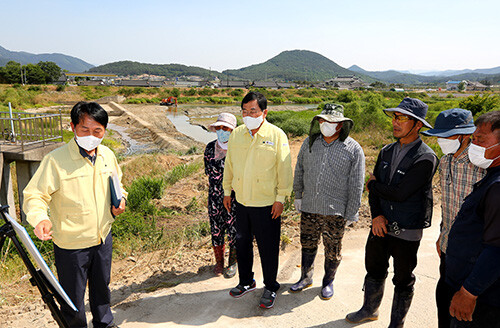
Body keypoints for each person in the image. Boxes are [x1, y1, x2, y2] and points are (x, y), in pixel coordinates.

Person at [23, 101, 126, 328]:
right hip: (71, 245)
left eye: (97, 131)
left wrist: (122, 201)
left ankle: (105, 324)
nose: (91, 136)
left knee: (102, 289)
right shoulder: (56, 160)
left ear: (104, 131)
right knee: (72, 300)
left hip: (102, 237)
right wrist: (40, 218)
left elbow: (118, 185)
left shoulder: (107, 155)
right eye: (85, 130)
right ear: (72, 127)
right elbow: (34, 196)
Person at [346, 98, 438, 327]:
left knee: (403, 279)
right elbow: (378, 193)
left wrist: (372, 185)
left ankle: (396, 323)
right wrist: (376, 215)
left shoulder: (426, 157)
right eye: (395, 117)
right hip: (380, 224)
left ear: (417, 124)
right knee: (375, 269)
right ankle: (369, 309)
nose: (396, 122)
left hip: (407, 229)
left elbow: (400, 193)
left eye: (403, 118)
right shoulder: (386, 151)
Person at [222, 91, 293, 309]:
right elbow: (230, 165)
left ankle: (270, 286)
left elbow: (284, 169)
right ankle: (246, 281)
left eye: (253, 111)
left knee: (268, 247)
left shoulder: (277, 135)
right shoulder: (237, 134)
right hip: (241, 202)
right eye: (244, 111)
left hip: (267, 205)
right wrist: (227, 191)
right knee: (242, 243)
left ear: (264, 112)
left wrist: (281, 198)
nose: (248, 115)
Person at [291, 103, 365, 300]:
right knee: (307, 244)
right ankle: (305, 277)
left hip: (336, 211)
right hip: (310, 207)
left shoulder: (353, 148)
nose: (325, 124)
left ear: (340, 125)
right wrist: (298, 195)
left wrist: (352, 212)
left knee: (332, 249)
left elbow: (356, 183)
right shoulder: (309, 143)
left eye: (331, 121)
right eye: (322, 120)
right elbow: (299, 170)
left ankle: (328, 282)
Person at [421, 108, 485, 328]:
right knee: (444, 305)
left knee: (468, 314)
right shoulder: (445, 162)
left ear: (465, 135)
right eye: (439, 135)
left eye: (447, 135)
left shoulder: (481, 164)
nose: (441, 141)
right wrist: (442, 234)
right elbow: (447, 205)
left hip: (474, 255)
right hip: (448, 249)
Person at [445, 110, 500, 328]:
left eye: (481, 139)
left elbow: (496, 248)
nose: (474, 145)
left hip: (483, 297)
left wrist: (469, 292)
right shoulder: (490, 177)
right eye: (474, 138)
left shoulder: (497, 187)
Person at [204, 113, 238, 278]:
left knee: (234, 229)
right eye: (219, 128)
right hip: (214, 198)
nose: (221, 131)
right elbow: (208, 172)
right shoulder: (210, 148)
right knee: (216, 230)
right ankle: (219, 262)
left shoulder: (238, 148)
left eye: (225, 128)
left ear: (232, 130)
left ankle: (232, 262)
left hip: (234, 198)